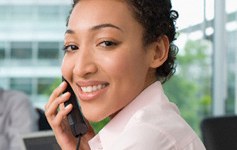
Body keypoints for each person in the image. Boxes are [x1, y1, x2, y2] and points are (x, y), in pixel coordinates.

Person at [44, 0, 206, 150]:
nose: (80, 68)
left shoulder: (147, 137)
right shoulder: (152, 128)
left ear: (157, 52)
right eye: (72, 47)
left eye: (106, 43)